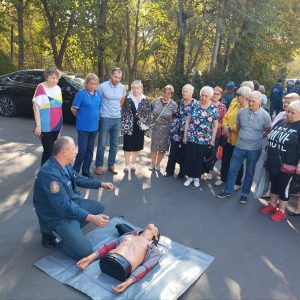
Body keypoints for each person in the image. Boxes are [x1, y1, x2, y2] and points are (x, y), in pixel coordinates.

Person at [33, 136, 114, 259]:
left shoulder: (64, 164)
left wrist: (101, 184)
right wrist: (91, 218)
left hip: (71, 204)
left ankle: (72, 228)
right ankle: (53, 234)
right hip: (57, 218)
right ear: (64, 152)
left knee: (99, 207)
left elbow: (79, 179)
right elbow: (63, 207)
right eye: (73, 148)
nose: (76, 151)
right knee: (86, 251)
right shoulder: (49, 175)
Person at [217, 91, 272, 203]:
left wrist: (259, 137)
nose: (251, 103)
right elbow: (238, 125)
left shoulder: (265, 115)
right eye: (249, 100)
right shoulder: (242, 112)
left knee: (250, 172)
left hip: (254, 149)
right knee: (232, 169)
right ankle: (228, 190)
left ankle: (244, 193)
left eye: (253, 101)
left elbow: (268, 130)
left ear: (260, 102)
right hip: (239, 146)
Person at [77, 224, 162, 294]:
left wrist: (127, 283)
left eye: (155, 227)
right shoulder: (128, 236)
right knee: (121, 227)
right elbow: (108, 247)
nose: (152, 225)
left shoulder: (154, 250)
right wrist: (88, 259)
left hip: (124, 267)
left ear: (155, 237)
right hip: (107, 259)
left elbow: (145, 268)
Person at [261, 100, 300, 221]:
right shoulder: (281, 122)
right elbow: (271, 138)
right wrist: (267, 153)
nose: (288, 114)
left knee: (284, 187)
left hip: (289, 164)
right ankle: (272, 204)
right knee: (275, 184)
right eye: (288, 111)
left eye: (292, 112)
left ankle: (281, 211)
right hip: (273, 161)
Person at [214, 86, 251, 189]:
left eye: (240, 96)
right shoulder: (234, 103)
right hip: (228, 137)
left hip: (238, 140)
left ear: (246, 97)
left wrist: (230, 128)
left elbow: (242, 124)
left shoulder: (248, 109)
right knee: (225, 159)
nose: (237, 97)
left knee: (237, 161)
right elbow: (226, 116)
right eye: (238, 95)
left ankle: (237, 183)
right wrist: (225, 126)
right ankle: (223, 178)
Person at [183, 86, 218, 187]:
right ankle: (189, 177)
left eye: (206, 96)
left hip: (204, 138)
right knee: (190, 156)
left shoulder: (213, 108)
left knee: (199, 158)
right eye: (202, 95)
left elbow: (215, 126)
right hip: (192, 136)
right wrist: (185, 136)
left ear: (210, 96)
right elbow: (188, 121)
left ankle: (197, 177)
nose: (203, 97)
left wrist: (212, 140)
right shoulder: (195, 105)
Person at [95, 68, 126, 175]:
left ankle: (111, 164)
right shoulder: (102, 86)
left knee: (114, 144)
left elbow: (122, 101)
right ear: (111, 75)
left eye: (119, 78)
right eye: (115, 77)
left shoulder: (122, 87)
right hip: (105, 118)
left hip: (117, 119)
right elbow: (97, 101)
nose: (117, 79)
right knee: (102, 144)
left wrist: (118, 113)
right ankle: (99, 165)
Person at [71, 73, 102, 178]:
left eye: (95, 84)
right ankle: (74, 172)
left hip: (94, 128)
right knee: (82, 150)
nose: (93, 86)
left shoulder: (98, 95)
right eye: (91, 84)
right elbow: (73, 109)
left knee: (90, 150)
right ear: (86, 83)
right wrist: (81, 118)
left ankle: (86, 172)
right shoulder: (80, 94)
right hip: (83, 128)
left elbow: (98, 109)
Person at [165, 84, 197, 177]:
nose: (184, 93)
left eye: (187, 91)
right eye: (183, 91)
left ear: (191, 93)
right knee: (173, 150)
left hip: (188, 131)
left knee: (185, 152)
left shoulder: (195, 104)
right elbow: (175, 114)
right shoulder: (180, 102)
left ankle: (182, 173)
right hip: (177, 130)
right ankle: (169, 171)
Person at [33, 67, 63, 166]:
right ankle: (44, 174)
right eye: (53, 78)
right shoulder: (41, 87)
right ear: (47, 77)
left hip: (57, 124)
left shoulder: (58, 88)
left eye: (57, 78)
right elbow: (36, 108)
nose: (55, 80)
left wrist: (61, 125)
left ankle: (51, 172)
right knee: (48, 150)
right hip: (45, 125)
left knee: (54, 150)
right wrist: (38, 126)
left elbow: (59, 107)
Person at [121, 80, 151, 171]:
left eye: (137, 88)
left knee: (137, 146)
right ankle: (126, 164)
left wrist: (146, 126)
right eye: (134, 87)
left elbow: (148, 113)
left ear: (141, 89)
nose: (135, 89)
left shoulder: (145, 99)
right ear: (131, 88)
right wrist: (122, 125)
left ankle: (133, 163)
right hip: (128, 125)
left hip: (140, 126)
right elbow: (123, 112)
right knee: (127, 146)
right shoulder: (127, 98)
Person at [150, 85, 177, 171]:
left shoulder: (173, 105)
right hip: (156, 128)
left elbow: (175, 117)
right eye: (164, 92)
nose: (166, 94)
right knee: (154, 147)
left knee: (162, 149)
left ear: (171, 94)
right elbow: (149, 112)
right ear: (162, 92)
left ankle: (158, 164)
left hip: (166, 129)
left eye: (168, 93)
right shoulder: (155, 101)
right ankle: (153, 163)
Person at [202, 86, 226, 180]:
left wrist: (215, 125)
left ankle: (210, 171)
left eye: (217, 94)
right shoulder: (207, 103)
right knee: (204, 152)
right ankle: (204, 171)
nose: (215, 95)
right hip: (204, 133)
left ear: (220, 96)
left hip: (216, 134)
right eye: (214, 93)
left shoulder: (222, 107)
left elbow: (224, 122)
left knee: (212, 154)